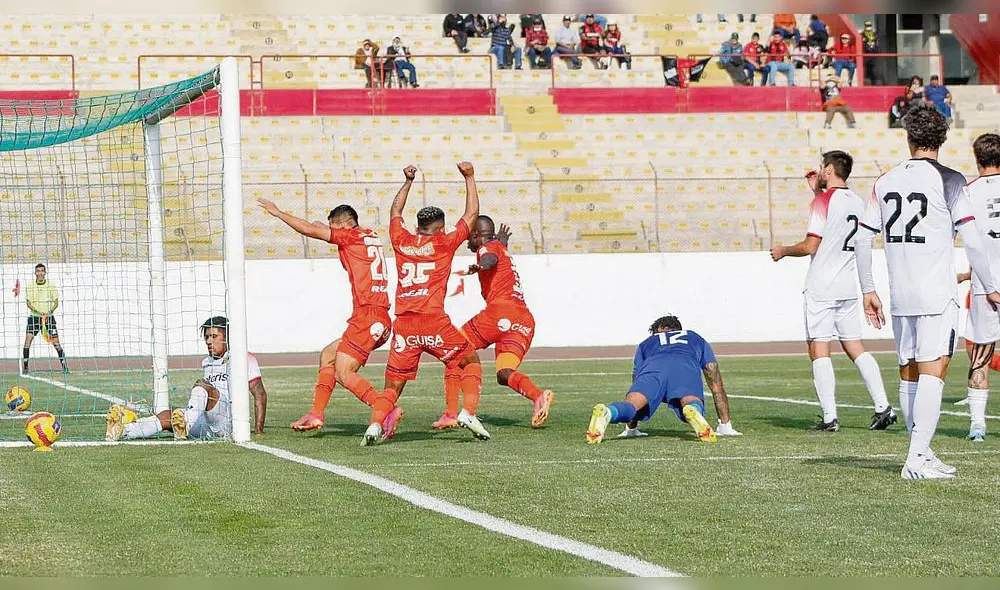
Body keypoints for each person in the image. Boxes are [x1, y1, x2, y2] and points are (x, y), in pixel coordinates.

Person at [855, 104, 1000, 479]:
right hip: (937, 293)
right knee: (935, 370)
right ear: (942, 139)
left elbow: (862, 239)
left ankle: (920, 451)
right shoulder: (951, 180)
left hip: (900, 293)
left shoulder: (884, 181)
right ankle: (916, 458)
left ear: (908, 137)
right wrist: (990, 288)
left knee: (909, 370)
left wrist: (868, 288)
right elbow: (972, 240)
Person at [362, 163, 488, 446]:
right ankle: (467, 412)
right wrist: (469, 177)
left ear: (418, 226)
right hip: (433, 321)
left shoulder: (401, 239)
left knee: (393, 385)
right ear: (440, 228)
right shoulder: (444, 243)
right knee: (470, 361)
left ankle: (374, 425)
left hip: (404, 324)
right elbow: (471, 215)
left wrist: (407, 181)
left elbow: (394, 212)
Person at [770, 152, 894, 431]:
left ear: (828, 169)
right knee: (855, 347)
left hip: (822, 286)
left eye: (821, 166)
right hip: (847, 287)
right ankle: (883, 406)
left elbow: (811, 246)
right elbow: (858, 244)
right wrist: (867, 289)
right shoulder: (859, 202)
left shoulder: (823, 201)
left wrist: (783, 251)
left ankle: (829, 417)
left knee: (819, 349)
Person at [256, 199, 392, 433]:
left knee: (343, 372)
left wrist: (278, 212)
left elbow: (310, 229)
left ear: (342, 225)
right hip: (378, 317)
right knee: (328, 356)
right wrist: (325, 225)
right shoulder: (369, 236)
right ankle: (317, 414)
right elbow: (321, 226)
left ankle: (386, 410)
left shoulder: (348, 236)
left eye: (333, 228)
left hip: (367, 316)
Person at [433, 218, 555, 430]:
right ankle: (538, 396)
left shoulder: (486, 248)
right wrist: (502, 242)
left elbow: (489, 259)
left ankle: (451, 414)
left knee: (453, 351)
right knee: (504, 373)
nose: (467, 243)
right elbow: (497, 254)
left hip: (500, 314)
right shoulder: (499, 246)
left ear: (477, 235)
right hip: (523, 320)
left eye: (469, 237)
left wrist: (480, 266)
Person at [106, 316, 268, 440]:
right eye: (206, 337)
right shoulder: (208, 362)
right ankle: (123, 431)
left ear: (227, 338)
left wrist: (258, 430)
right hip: (207, 424)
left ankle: (186, 423)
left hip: (228, 423)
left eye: (214, 336)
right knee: (167, 415)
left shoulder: (243, 359)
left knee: (202, 386)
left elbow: (259, 394)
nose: (209, 341)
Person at [585, 315, 741, 444]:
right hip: (684, 367)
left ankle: (608, 412)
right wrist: (725, 423)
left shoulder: (647, 343)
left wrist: (631, 428)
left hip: (654, 367)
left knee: (631, 405)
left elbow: (636, 379)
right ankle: (694, 410)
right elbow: (713, 375)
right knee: (690, 401)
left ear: (659, 330)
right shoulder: (694, 337)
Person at [955, 133, 1000, 441]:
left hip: (986, 285)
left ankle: (977, 425)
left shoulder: (967, 193)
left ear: (977, 159)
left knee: (981, 354)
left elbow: (970, 240)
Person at [22, 263, 68, 374]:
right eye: (38, 271)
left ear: (45, 272)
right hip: (35, 318)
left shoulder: (51, 285)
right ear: (35, 273)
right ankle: (26, 367)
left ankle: (64, 366)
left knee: (56, 343)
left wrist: (49, 312)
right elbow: (28, 303)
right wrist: (39, 312)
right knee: (27, 341)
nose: (40, 273)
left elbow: (56, 303)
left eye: (42, 271)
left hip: (49, 318)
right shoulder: (30, 286)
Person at [861, 19, 880, 85]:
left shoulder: (874, 34)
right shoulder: (862, 34)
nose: (868, 27)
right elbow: (861, 43)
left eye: (869, 25)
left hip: (874, 53)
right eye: (867, 25)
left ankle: (874, 83)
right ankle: (867, 83)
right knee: (867, 69)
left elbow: (877, 43)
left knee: (874, 69)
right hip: (866, 54)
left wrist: (876, 51)